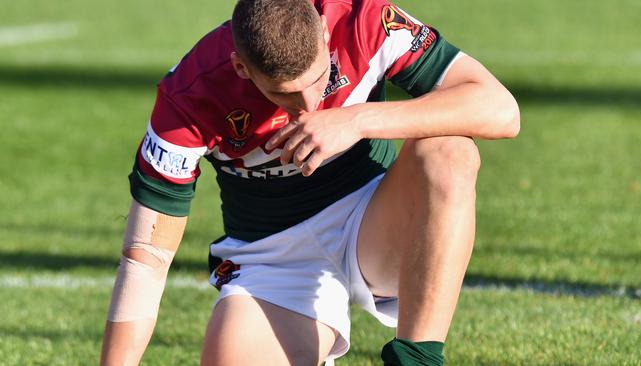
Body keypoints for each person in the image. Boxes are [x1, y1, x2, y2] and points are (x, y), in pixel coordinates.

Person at [100, 0, 520, 364]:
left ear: (322, 29)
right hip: (273, 255)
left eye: (319, 79)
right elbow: (146, 259)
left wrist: (356, 120)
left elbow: (500, 109)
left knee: (450, 150)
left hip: (374, 220)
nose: (308, 105)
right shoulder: (189, 96)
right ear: (241, 68)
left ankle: (416, 359)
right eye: (284, 94)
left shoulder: (361, 19)